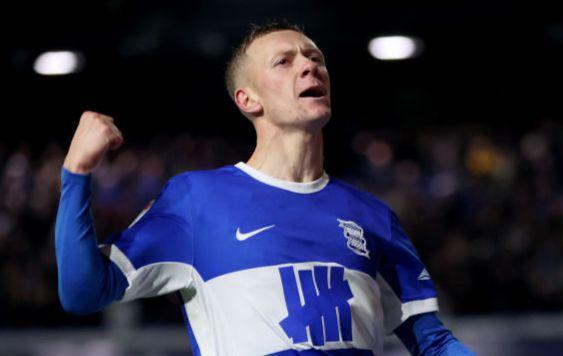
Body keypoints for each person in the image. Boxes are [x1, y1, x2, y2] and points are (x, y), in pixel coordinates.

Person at [56, 22, 474, 355]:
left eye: (315, 58)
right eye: (284, 62)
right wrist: (77, 171)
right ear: (247, 100)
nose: (309, 66)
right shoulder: (197, 202)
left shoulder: (373, 216)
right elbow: (82, 292)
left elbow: (433, 343)